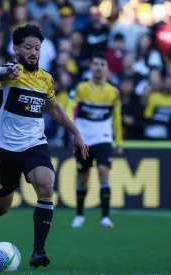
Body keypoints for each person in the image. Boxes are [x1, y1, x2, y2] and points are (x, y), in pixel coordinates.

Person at [0, 24, 89, 268]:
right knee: (0, 208)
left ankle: (38, 251)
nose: (33, 52)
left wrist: (76, 133)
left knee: (46, 183)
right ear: (16, 48)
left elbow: (54, 109)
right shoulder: (11, 71)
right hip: (7, 148)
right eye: (28, 47)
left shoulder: (45, 79)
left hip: (34, 145)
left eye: (37, 48)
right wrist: (5, 73)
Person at [68, 53, 123, 229]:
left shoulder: (113, 92)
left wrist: (119, 141)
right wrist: (72, 131)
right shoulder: (82, 88)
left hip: (103, 138)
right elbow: (69, 107)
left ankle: (105, 217)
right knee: (83, 177)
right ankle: (79, 215)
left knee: (103, 171)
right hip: (84, 138)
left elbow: (116, 117)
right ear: (91, 67)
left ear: (107, 69)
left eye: (102, 64)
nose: (99, 67)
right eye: (96, 64)